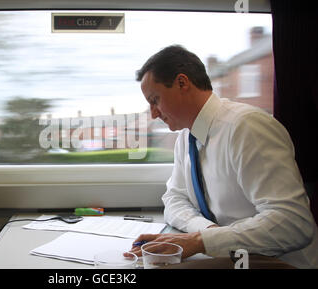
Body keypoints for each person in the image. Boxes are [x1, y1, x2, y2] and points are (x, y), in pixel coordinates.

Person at [126, 45, 318, 268]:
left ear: (182, 83)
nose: (153, 113)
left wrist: (201, 241)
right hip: (234, 258)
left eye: (155, 99)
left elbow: (293, 223)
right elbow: (174, 199)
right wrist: (207, 233)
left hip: (279, 262)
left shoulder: (247, 128)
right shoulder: (186, 138)